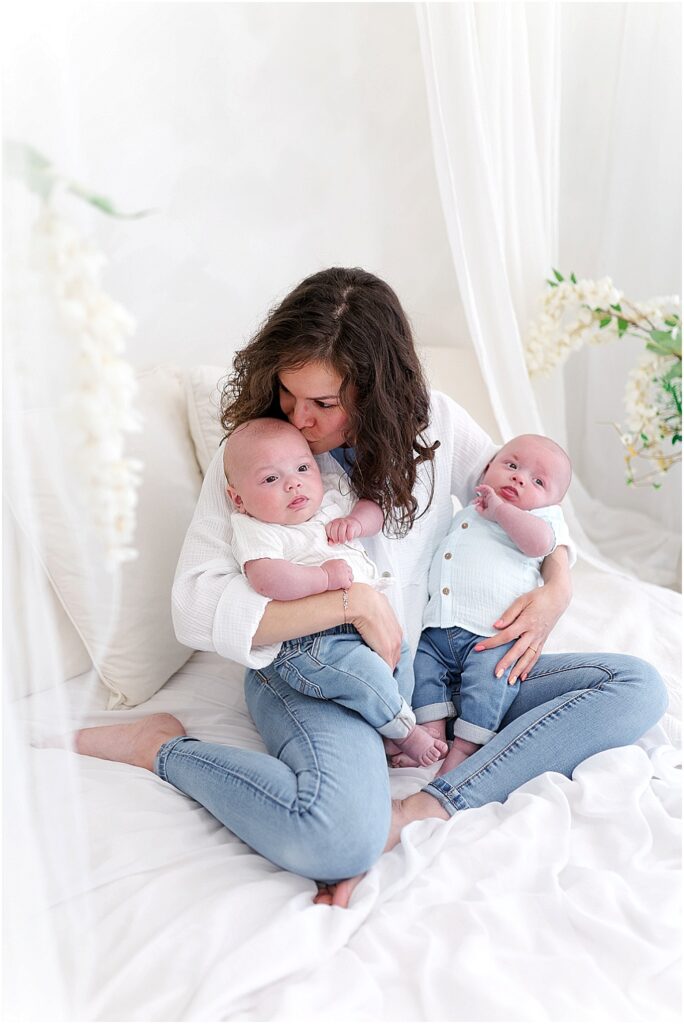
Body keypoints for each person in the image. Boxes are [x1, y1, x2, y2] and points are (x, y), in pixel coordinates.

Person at [71, 267, 668, 909]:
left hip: (433, 675)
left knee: (636, 686)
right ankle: (158, 746)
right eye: (289, 391)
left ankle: (427, 806)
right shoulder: (259, 455)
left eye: (325, 403)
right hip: (315, 671)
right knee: (333, 843)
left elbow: (531, 501)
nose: (300, 418)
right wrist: (351, 602)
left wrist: (558, 588)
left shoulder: (434, 423)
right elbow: (193, 605)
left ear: (379, 389)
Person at [222, 416, 447, 766]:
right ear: (238, 498)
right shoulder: (257, 527)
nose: (293, 485)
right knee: (366, 675)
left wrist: (356, 520)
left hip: (368, 626)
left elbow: (375, 508)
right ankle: (406, 732)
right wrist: (323, 580)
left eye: (301, 468)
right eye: (270, 478)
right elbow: (266, 578)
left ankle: (393, 729)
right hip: (312, 642)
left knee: (400, 657)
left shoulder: (327, 497)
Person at [394, 434, 573, 775]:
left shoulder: (541, 522)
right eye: (512, 465)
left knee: (492, 683)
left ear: (552, 504)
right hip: (438, 627)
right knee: (420, 669)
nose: (520, 478)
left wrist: (502, 511)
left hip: (491, 634)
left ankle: (465, 748)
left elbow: (539, 545)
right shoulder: (466, 511)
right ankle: (433, 731)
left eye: (538, 481)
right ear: (487, 468)